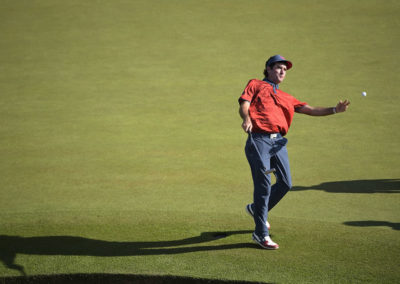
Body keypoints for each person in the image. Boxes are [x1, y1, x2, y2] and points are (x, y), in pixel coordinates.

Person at [238, 55, 350, 249]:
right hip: (259, 140)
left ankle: (257, 209)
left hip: (278, 143)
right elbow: (244, 103)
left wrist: (334, 110)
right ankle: (260, 233)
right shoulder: (255, 84)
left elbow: (310, 110)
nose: (282, 71)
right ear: (268, 69)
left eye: (285, 70)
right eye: (279, 68)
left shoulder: (286, 97)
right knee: (264, 184)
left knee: (286, 183)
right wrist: (247, 118)